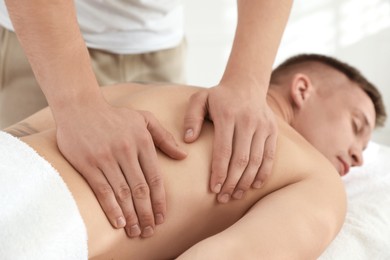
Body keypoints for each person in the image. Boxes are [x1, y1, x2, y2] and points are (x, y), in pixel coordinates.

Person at [1, 54, 386, 259]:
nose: (359, 156)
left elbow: (16, 138)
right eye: (357, 125)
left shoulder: (144, 92)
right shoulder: (317, 180)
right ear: (303, 89)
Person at [0, 0, 293, 235]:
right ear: (302, 88)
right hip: (44, 39)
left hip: (162, 49)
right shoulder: (321, 192)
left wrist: (248, 80)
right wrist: (77, 104)